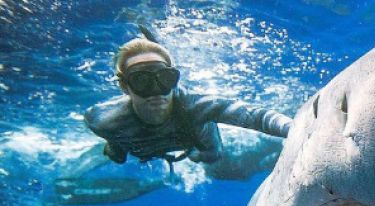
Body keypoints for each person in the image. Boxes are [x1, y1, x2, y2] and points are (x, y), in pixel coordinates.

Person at [83, 36, 293, 169]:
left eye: (165, 79)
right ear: (125, 87)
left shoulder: (194, 107)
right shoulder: (102, 120)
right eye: (141, 81)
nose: (156, 92)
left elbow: (256, 116)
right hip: (139, 144)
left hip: (195, 142)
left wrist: (294, 129)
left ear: (174, 79)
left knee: (210, 157)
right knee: (116, 156)